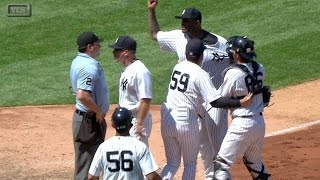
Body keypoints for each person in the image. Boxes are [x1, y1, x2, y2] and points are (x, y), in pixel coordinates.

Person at [147, 1, 230, 176]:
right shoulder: (179, 37)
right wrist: (151, 10)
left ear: (197, 23)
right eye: (182, 20)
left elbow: (234, 64)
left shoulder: (221, 43)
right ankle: (212, 177)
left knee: (219, 149)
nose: (182, 25)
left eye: (187, 21)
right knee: (204, 151)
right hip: (193, 108)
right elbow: (155, 34)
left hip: (214, 104)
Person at [160, 38, 253, 180]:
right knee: (190, 164)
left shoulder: (178, 67)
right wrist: (240, 102)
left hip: (167, 117)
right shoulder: (200, 74)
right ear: (202, 55)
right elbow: (215, 101)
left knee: (172, 163)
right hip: (185, 119)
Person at [211, 36, 271, 179]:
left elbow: (217, 100)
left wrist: (238, 102)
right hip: (259, 123)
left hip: (242, 124)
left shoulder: (234, 73)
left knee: (220, 165)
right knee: (255, 164)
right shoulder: (260, 68)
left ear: (237, 53)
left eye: (232, 51)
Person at [69, 31, 110, 180]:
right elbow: (82, 95)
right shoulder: (88, 66)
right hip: (89, 121)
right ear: (90, 47)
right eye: (97, 44)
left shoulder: (77, 61)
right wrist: (98, 112)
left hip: (85, 118)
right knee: (88, 167)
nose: (100, 46)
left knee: (90, 164)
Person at [88, 107, 161, 180]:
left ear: (113, 125)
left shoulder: (103, 147)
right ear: (131, 125)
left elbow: (92, 177)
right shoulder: (140, 146)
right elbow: (152, 177)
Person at [108, 35, 153, 146]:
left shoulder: (140, 71)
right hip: (127, 119)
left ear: (126, 52)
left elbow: (146, 100)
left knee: (137, 154)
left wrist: (139, 124)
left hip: (136, 119)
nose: (114, 52)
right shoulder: (127, 69)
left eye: (117, 50)